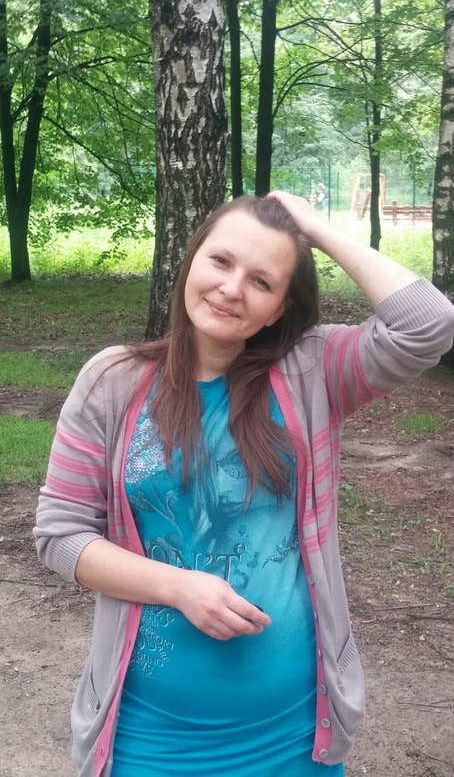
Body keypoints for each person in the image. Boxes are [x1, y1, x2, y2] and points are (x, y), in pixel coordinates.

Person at [34, 192, 454, 777]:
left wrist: (312, 227)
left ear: (279, 308)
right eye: (221, 261)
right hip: (149, 739)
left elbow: (429, 324)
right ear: (191, 261)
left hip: (294, 737)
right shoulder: (113, 382)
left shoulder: (313, 372)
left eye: (262, 281)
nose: (232, 289)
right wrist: (178, 587)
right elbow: (60, 536)